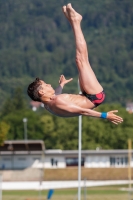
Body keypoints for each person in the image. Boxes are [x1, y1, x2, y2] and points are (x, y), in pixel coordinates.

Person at [27, 3, 123, 125]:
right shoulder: (56, 102)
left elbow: (56, 95)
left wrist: (61, 85)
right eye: (45, 85)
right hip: (94, 96)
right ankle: (75, 21)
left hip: (86, 96)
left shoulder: (49, 104)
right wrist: (105, 115)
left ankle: (74, 21)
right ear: (41, 92)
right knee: (81, 60)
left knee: (80, 61)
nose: (49, 84)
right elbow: (83, 111)